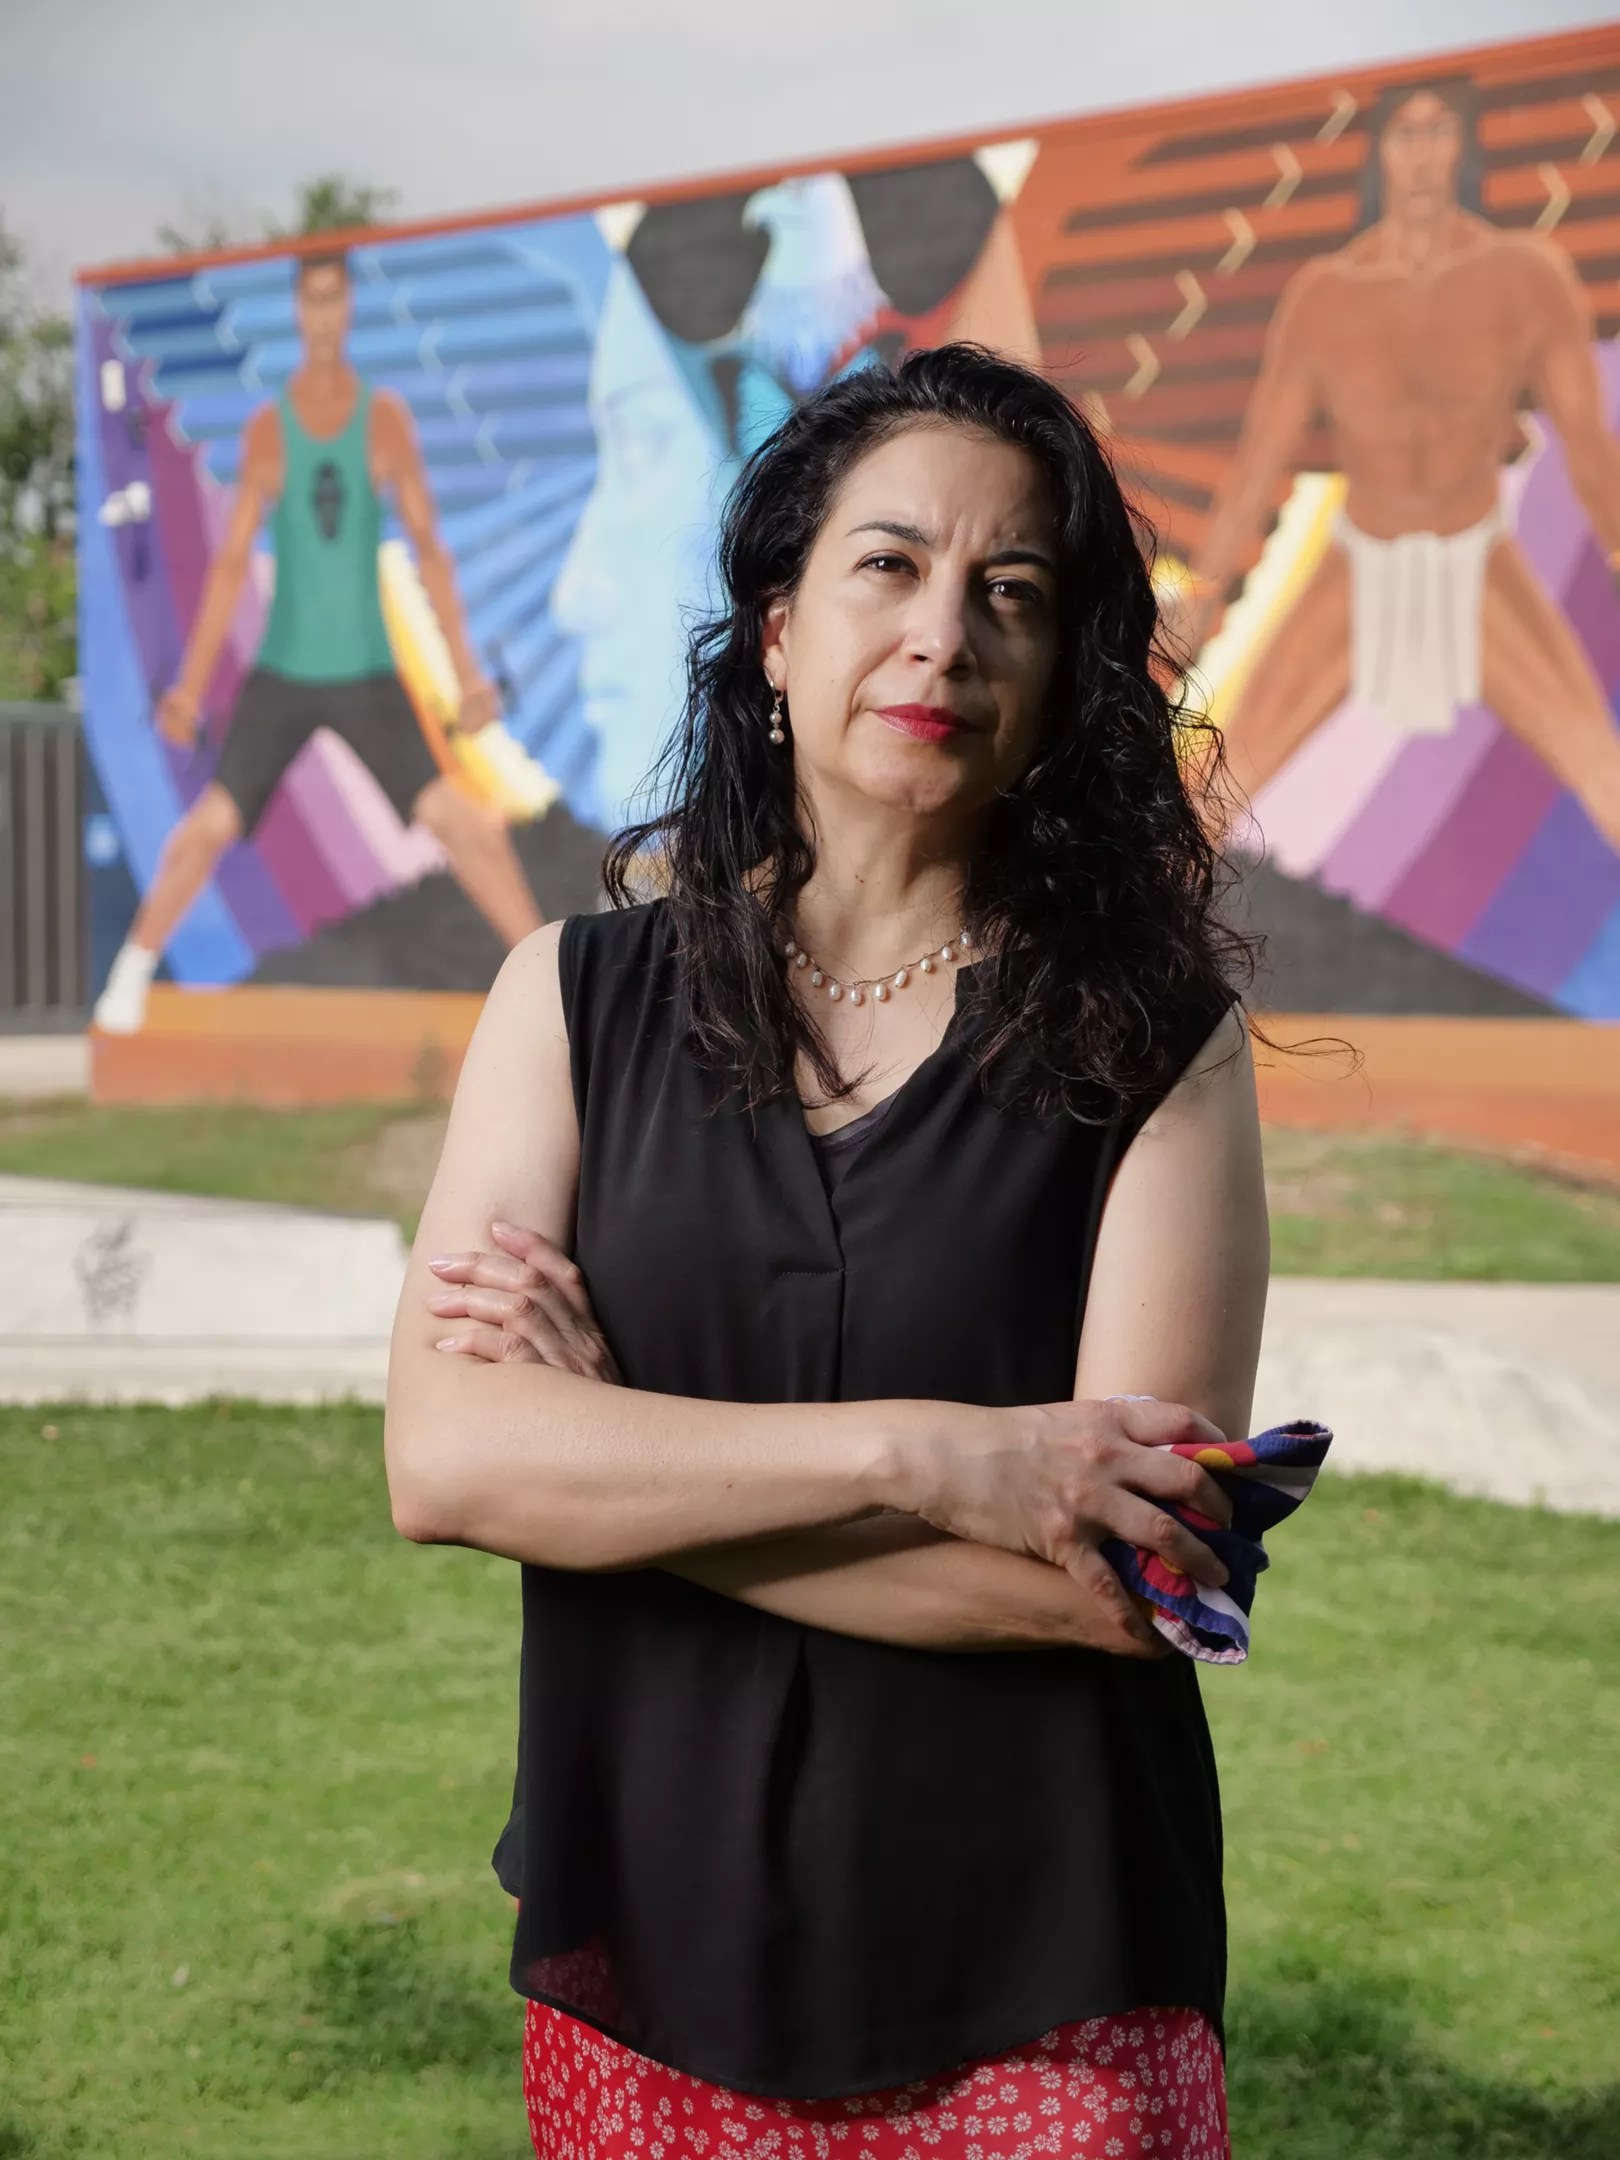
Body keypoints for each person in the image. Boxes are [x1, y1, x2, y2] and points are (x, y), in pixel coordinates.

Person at [385, 344, 1271, 2159]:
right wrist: (934, 1458)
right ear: (779, 633)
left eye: (1011, 592)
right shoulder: (567, 1000)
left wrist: (618, 1466)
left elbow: (1129, 1595)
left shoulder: (1155, 1042)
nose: (944, 635)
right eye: (889, 564)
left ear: (1060, 676)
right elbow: (451, 1461)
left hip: (1052, 1997)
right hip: (649, 1971)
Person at [93, 248, 544, 1033]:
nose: (324, 316)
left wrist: (468, 677)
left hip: (366, 672)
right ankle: (128, 974)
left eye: (335, 299)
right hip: (285, 672)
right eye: (312, 301)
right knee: (210, 825)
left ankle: (551, 983)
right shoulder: (270, 430)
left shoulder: (385, 420)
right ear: (298, 313)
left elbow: (430, 550)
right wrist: (190, 689)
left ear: (349, 307)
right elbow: (231, 563)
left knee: (462, 823)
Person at [1173, 81, 1620, 851]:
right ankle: (1108, 932)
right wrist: (1200, 600)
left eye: (1438, 131)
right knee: (1216, 786)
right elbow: (1258, 466)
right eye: (1404, 134)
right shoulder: (1326, 294)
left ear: (1464, 147)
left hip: (1476, 556)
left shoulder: (1525, 276)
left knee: (1599, 761)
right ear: (1379, 152)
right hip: (1360, 561)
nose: (1421, 155)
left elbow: (1588, 447)